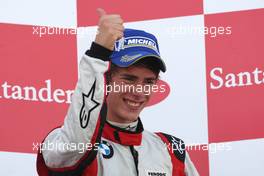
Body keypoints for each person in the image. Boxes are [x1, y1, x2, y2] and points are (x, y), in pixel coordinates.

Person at [36, 8, 199, 176]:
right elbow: (78, 140)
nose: (138, 91)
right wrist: (98, 54)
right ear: (106, 80)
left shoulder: (170, 150)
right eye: (129, 79)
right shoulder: (64, 142)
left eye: (148, 81)